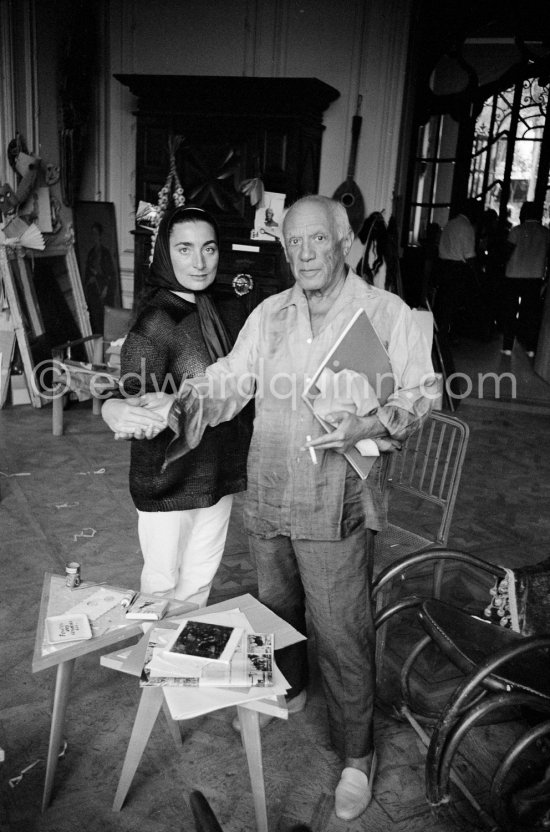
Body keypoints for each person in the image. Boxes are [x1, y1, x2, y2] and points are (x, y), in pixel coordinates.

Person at [102, 195, 435, 821]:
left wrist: (370, 419)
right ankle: (294, 685)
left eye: (317, 240)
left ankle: (357, 756)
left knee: (342, 631)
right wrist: (172, 407)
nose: (305, 254)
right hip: (269, 491)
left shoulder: (385, 312)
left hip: (334, 499)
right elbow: (230, 378)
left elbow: (420, 394)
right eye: (294, 243)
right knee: (277, 610)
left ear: (344, 243)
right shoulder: (270, 313)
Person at [102, 206, 251, 606]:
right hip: (168, 478)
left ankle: (180, 666)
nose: (199, 262)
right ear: (166, 255)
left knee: (200, 584)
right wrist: (117, 409)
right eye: (184, 249)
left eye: (209, 248)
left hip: (219, 470)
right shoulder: (157, 322)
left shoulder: (229, 311)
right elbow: (136, 402)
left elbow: (249, 381)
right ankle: (153, 662)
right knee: (162, 585)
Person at [501, 201, 550, 357]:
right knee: (531, 313)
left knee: (510, 311)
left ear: (524, 213)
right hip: (535, 276)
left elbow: (506, 253)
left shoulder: (516, 231)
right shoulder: (546, 233)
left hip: (513, 275)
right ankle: (530, 347)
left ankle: (508, 346)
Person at [433, 198, 482, 342]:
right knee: (454, 304)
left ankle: (438, 334)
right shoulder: (467, 227)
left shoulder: (450, 223)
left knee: (442, 302)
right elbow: (469, 255)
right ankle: (449, 336)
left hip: (443, 266)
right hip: (457, 269)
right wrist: (477, 274)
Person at [83, 221, 120, 332]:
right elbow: (87, 274)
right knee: (95, 319)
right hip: (93, 291)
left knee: (105, 318)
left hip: (104, 291)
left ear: (100, 235)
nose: (94, 237)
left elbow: (110, 275)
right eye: (92, 234)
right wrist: (90, 279)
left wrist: (105, 288)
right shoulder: (91, 253)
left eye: (96, 234)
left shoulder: (105, 253)